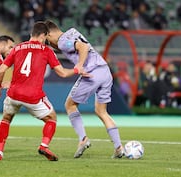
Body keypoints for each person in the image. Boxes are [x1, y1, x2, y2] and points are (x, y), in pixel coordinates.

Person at [0, 22, 90, 161]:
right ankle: (44, 146)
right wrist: (76, 70)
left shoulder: (18, 47)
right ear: (43, 35)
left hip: (13, 94)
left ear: (32, 34)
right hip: (33, 97)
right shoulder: (46, 50)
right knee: (52, 119)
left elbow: (1, 70)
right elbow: (62, 73)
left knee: (6, 119)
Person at [44, 20, 125, 159]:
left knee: (70, 105)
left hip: (92, 73)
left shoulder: (63, 41)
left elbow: (83, 46)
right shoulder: (72, 32)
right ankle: (119, 148)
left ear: (49, 34)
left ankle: (83, 139)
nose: (49, 44)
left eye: (47, 41)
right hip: (105, 71)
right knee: (101, 111)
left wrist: (80, 66)